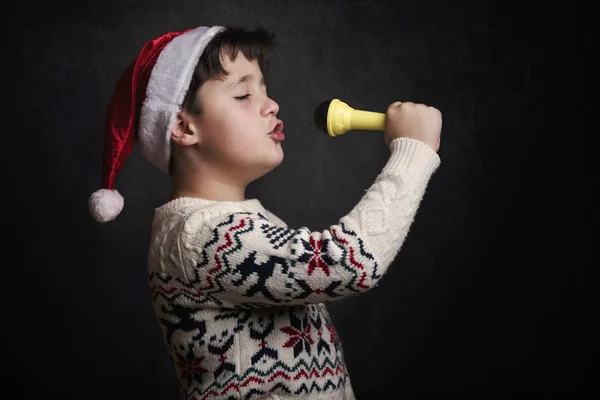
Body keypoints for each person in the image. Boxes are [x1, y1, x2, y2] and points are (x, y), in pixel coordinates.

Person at [89, 25, 442, 400]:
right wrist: (413, 152)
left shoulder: (234, 224)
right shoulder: (200, 234)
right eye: (243, 94)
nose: (271, 105)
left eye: (264, 89)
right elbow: (348, 263)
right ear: (183, 126)